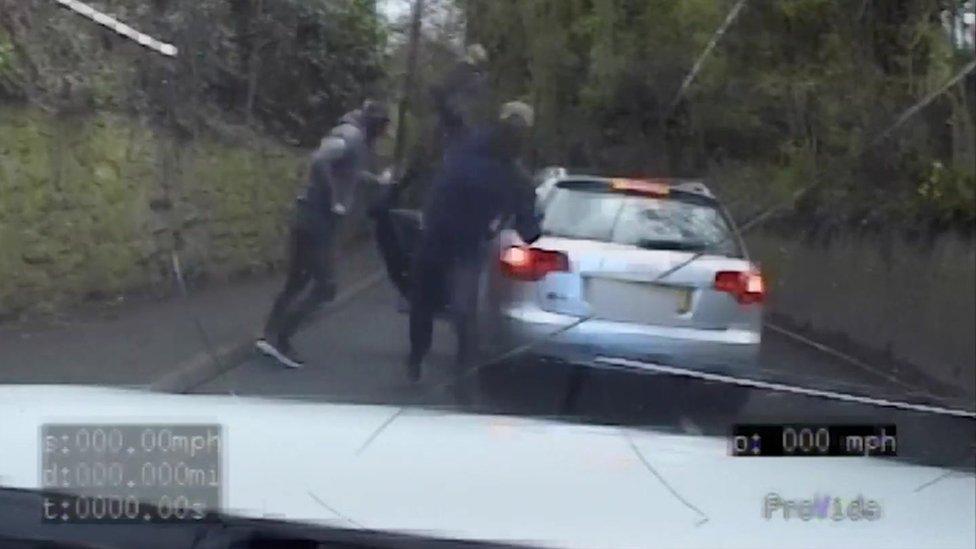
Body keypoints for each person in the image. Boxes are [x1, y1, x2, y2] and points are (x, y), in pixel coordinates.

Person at [406, 101, 542, 383]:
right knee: (452, 308)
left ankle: (438, 366)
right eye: (513, 124)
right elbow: (529, 228)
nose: (514, 131)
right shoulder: (508, 172)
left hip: (451, 241)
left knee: (443, 306)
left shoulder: (475, 152)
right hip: (451, 241)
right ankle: (439, 366)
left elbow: (528, 226)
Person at [257, 100, 391, 368]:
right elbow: (319, 161)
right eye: (382, 129)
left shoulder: (353, 136)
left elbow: (348, 172)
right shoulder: (350, 135)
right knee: (326, 286)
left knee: (297, 279)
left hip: (309, 216)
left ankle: (268, 335)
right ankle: (280, 339)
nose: (382, 136)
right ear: (375, 124)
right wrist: (334, 200)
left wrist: (375, 181)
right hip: (317, 220)